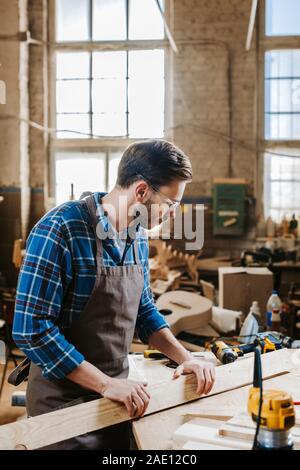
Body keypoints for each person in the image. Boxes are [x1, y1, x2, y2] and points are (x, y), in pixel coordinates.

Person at [13, 140, 215, 449]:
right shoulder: (61, 229)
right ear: (141, 192)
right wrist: (105, 384)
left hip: (119, 400)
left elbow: (144, 311)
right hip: (62, 409)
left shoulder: (137, 236)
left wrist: (186, 358)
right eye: (171, 204)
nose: (173, 214)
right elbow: (31, 330)